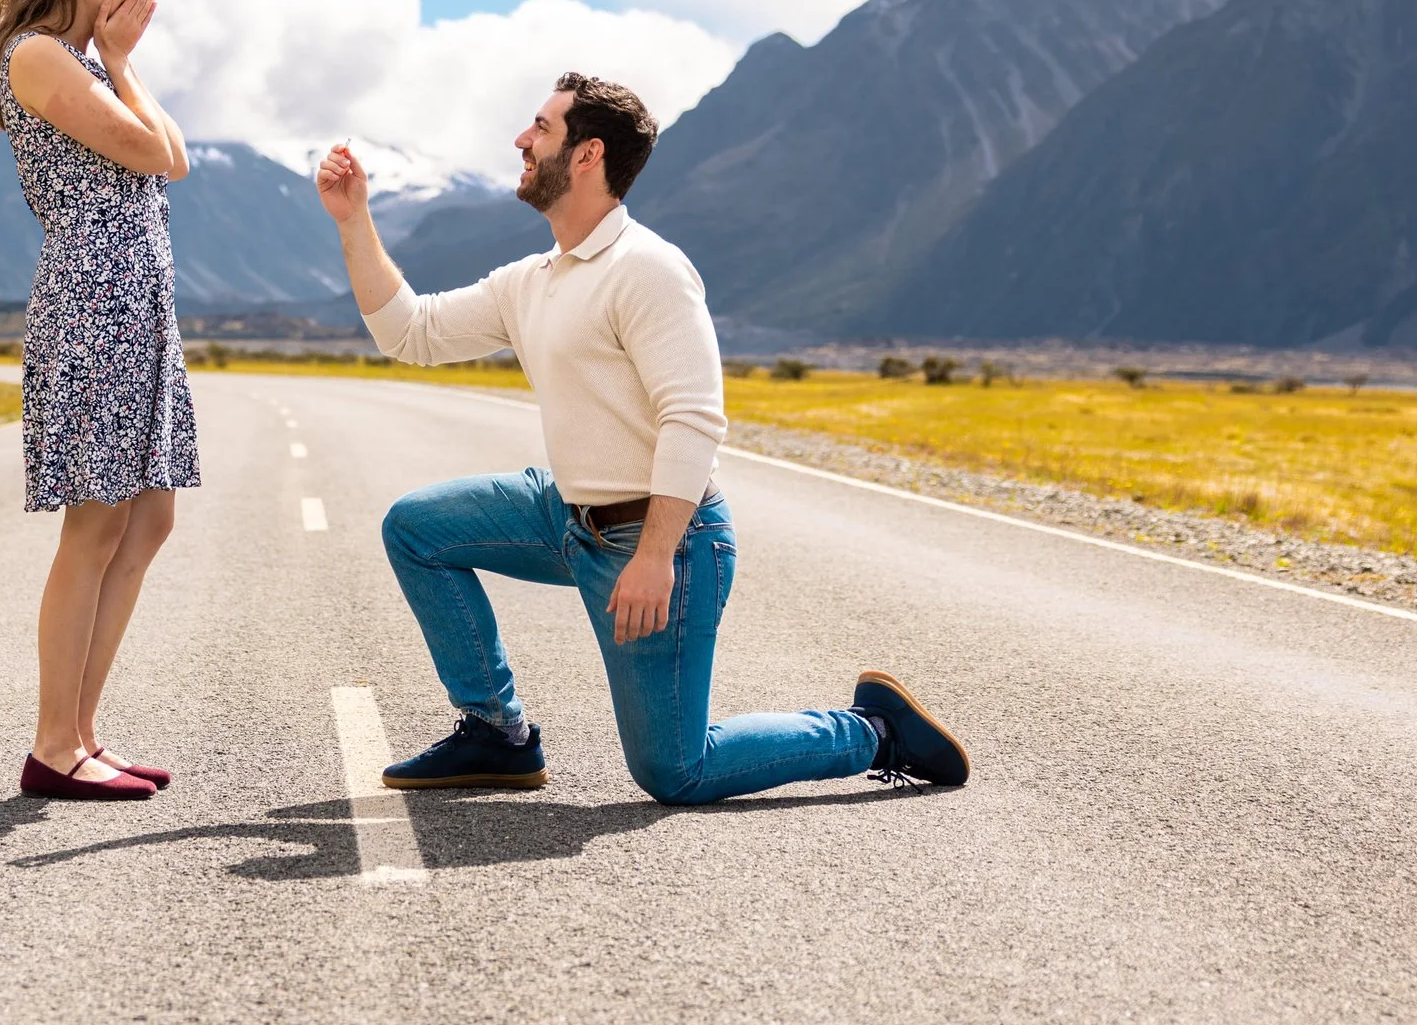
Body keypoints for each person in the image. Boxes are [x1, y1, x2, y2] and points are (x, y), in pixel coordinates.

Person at [313, 74, 969, 801]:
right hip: (564, 514)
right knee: (416, 528)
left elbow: (694, 417)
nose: (521, 141)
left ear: (587, 154)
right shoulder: (533, 280)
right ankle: (496, 732)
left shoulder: (648, 270)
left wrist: (656, 556)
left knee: (674, 771)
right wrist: (353, 221)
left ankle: (874, 730)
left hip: (667, 539)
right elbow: (411, 331)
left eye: (540, 127)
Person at [0, 0, 197, 802]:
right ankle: (53, 744)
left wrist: (119, 61)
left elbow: (170, 149)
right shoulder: (38, 56)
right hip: (93, 307)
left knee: (149, 519)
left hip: (137, 305)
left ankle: (83, 732)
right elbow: (157, 155)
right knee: (97, 522)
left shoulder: (87, 63)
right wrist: (123, 61)